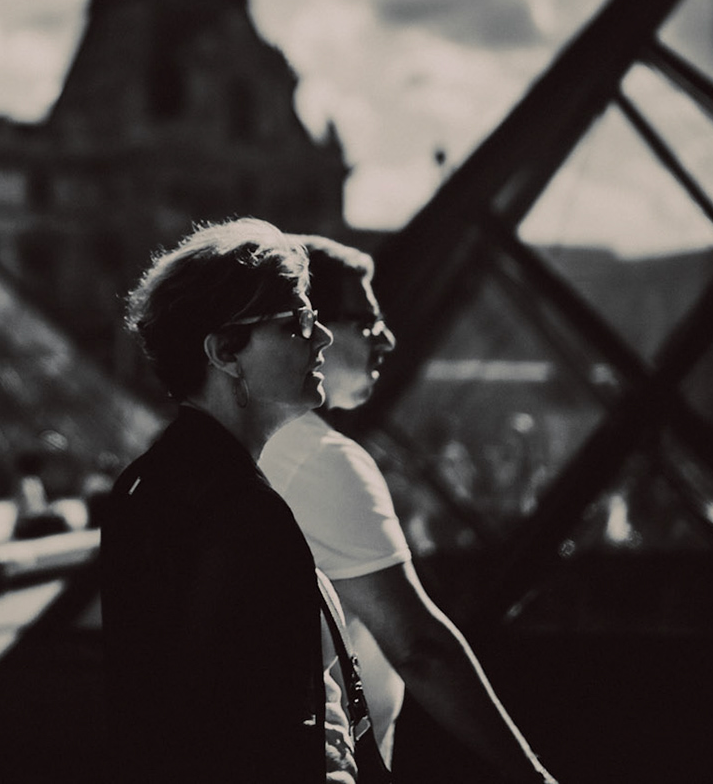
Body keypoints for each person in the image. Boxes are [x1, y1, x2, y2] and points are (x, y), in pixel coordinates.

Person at [262, 237, 557, 783]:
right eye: (368, 323)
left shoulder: (246, 451)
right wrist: (535, 778)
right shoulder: (322, 459)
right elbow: (420, 648)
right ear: (311, 327)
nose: (388, 341)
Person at [103, 218, 367, 784]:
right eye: (297, 320)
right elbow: (231, 726)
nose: (321, 337)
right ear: (225, 350)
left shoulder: (153, 482)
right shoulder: (237, 510)